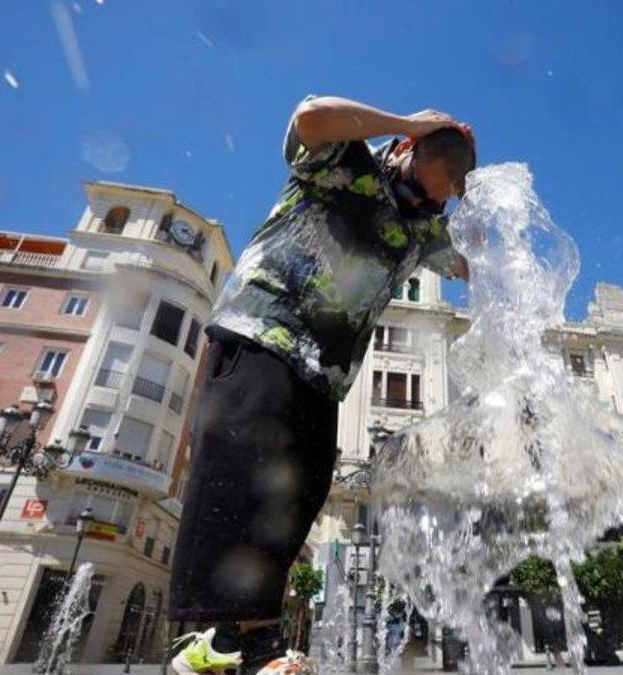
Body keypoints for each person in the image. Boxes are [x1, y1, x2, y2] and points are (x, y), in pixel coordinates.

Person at [167, 95, 476, 674]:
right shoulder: (344, 160)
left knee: (295, 495)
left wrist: (486, 208)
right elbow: (310, 114)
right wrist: (408, 122)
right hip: (265, 330)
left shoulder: (424, 223)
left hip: (325, 371)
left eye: (440, 196)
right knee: (245, 467)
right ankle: (252, 649)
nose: (427, 201)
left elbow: (468, 262)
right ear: (406, 151)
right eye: (425, 185)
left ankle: (219, 645)